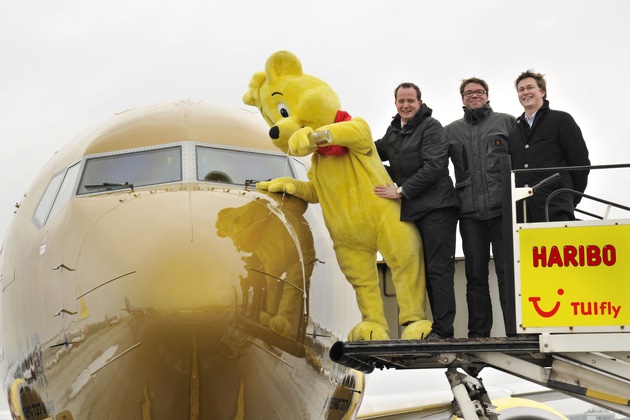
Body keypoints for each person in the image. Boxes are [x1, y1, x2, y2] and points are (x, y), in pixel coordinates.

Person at [374, 82, 459, 339]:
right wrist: (341, 145)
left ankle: (443, 331)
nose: (406, 105)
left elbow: (434, 167)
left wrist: (400, 191)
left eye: (411, 100)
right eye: (401, 101)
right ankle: (432, 327)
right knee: (421, 269)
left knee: (438, 269)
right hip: (414, 211)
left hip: (438, 209)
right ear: (395, 104)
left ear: (420, 103)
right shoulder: (394, 131)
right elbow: (371, 152)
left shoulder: (431, 127)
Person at [445, 77, 516, 338]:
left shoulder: (507, 123)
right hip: (470, 214)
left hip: (502, 211)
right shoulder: (450, 132)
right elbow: (434, 166)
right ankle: (478, 332)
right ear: (462, 98)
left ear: (487, 95)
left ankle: (515, 331)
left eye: (479, 92)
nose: (473, 96)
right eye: (468, 93)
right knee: (475, 275)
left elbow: (521, 163)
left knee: (507, 273)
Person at [509, 70, 590, 222]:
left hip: (556, 206)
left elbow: (581, 164)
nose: (525, 92)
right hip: (522, 213)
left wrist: (569, 198)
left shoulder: (561, 120)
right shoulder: (514, 132)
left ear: (542, 92)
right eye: (521, 89)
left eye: (530, 87)